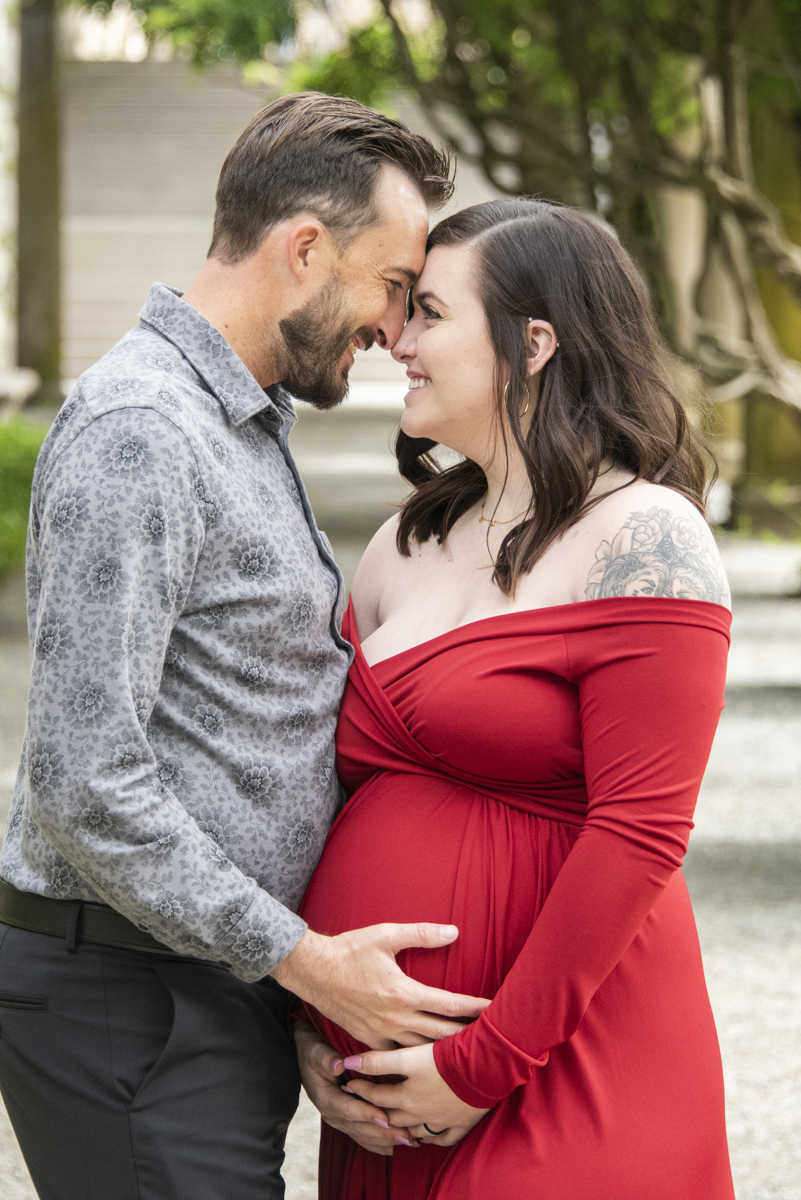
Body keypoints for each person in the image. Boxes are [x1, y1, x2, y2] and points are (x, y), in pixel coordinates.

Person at [0, 94, 491, 1200]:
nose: (393, 330)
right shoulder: (144, 430)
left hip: (196, 986)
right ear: (304, 249)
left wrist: (286, 992)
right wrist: (306, 961)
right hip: (127, 997)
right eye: (393, 290)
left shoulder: (238, 419)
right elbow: (87, 781)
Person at [295, 198, 736, 1198]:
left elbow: (639, 833)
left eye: (431, 315)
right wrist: (311, 1026)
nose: (396, 342)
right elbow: (320, 803)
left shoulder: (646, 541)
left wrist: (480, 1065)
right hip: (385, 1095)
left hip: (563, 1061)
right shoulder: (403, 542)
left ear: (533, 342)